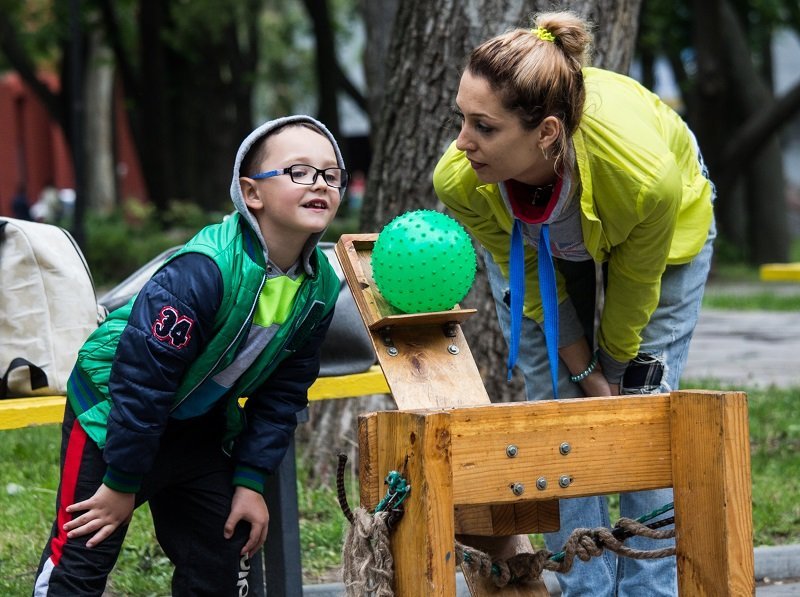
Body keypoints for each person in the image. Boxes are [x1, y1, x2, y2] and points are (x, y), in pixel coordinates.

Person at [433, 11, 715, 597]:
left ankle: (648, 589)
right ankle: (585, 585)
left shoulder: (643, 179)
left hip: (658, 232)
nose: (462, 142)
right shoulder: (463, 179)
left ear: (547, 131)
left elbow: (636, 289)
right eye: (461, 118)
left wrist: (610, 375)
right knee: (559, 405)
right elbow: (534, 284)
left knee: (641, 411)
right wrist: (582, 372)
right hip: (543, 250)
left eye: (483, 126)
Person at [33, 115, 347, 596]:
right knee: (83, 553)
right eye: (299, 172)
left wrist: (249, 480)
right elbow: (143, 380)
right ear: (252, 193)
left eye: (331, 174)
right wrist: (121, 483)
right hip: (112, 414)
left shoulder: (321, 287)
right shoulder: (203, 272)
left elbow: (284, 392)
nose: (320, 184)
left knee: (222, 549)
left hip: (197, 426)